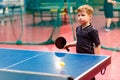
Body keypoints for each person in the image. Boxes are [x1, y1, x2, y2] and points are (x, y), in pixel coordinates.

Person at [64, 5, 101, 80]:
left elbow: (97, 45)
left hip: (89, 58)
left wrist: (96, 59)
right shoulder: (78, 29)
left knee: (89, 76)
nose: (80, 17)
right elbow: (79, 41)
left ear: (90, 16)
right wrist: (69, 44)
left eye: (83, 15)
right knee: (81, 75)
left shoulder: (92, 31)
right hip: (79, 57)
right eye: (78, 15)